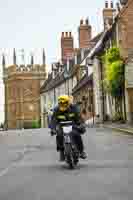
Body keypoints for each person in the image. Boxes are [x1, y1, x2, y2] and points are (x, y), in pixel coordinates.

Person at [50, 95, 87, 161]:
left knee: (77, 135)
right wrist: (53, 129)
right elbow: (53, 120)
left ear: (68, 102)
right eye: (61, 103)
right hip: (62, 126)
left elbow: (79, 117)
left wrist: (81, 124)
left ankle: (81, 151)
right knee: (59, 135)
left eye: (64, 103)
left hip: (73, 126)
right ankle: (61, 152)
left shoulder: (74, 108)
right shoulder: (56, 110)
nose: (63, 105)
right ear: (59, 103)